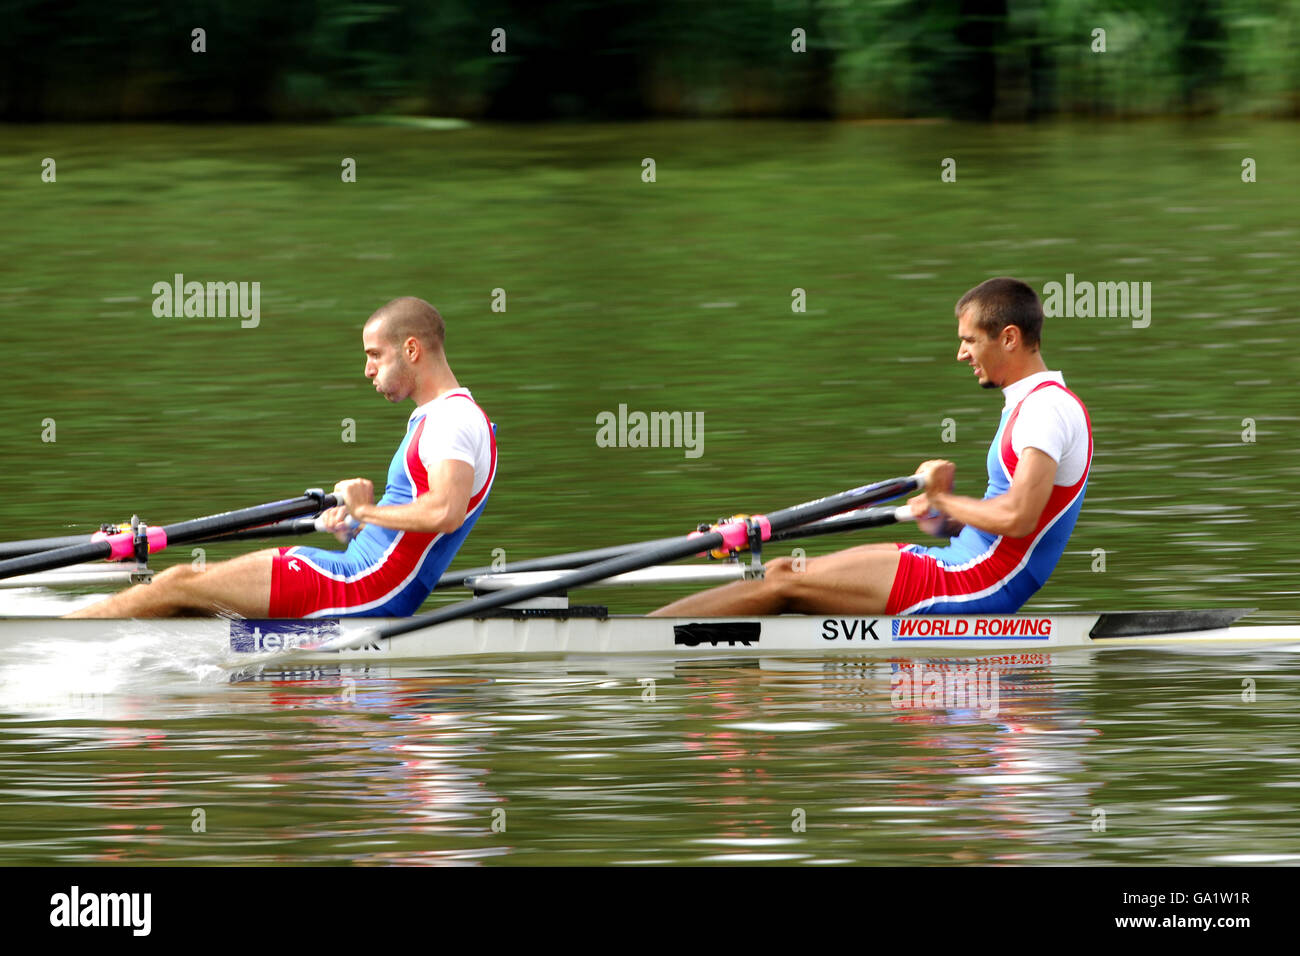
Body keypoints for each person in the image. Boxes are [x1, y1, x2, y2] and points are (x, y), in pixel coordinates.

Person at [651, 277, 1091, 617]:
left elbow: (1019, 517)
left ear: (1009, 338)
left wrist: (944, 499)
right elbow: (1010, 526)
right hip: (961, 561)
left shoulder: (1045, 411)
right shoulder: (1033, 405)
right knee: (784, 573)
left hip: (977, 584)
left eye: (970, 340)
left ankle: (623, 643)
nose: (961, 353)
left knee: (784, 578)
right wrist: (943, 520)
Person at [70, 297, 496, 619]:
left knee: (180, 581)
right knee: (187, 593)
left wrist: (367, 509)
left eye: (374, 355)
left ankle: (60, 636)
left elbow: (445, 511)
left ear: (412, 350)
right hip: (354, 571)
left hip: (362, 588)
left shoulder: (452, 420)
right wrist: (357, 525)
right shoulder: (443, 417)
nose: (367, 370)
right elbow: (413, 535)